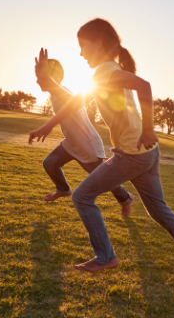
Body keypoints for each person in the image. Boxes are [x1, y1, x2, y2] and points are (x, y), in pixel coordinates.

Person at [29, 18, 174, 280]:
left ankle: (106, 257)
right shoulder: (106, 71)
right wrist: (48, 124)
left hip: (131, 154)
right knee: (158, 210)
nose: (80, 53)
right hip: (147, 153)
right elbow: (75, 102)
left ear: (98, 42)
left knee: (81, 197)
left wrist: (148, 127)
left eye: (83, 46)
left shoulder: (104, 71)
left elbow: (144, 86)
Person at [37, 59, 133, 216]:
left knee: (105, 179)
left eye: (42, 76)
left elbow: (71, 101)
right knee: (49, 163)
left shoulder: (62, 92)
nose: (38, 80)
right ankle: (63, 189)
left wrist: (48, 125)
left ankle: (126, 199)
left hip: (87, 144)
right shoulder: (55, 95)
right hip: (71, 143)